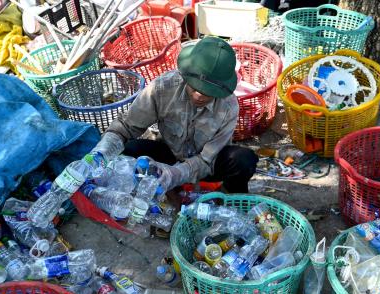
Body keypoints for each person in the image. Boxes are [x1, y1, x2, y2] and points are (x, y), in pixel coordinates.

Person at [90, 36, 258, 194]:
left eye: (207, 92)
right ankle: (154, 194)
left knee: (243, 160)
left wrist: (175, 174)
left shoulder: (228, 106)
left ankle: (227, 198)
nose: (199, 95)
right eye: (195, 87)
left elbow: (207, 159)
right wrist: (102, 151)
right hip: (169, 156)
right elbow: (126, 127)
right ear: (186, 76)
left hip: (207, 165)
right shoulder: (163, 88)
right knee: (128, 149)